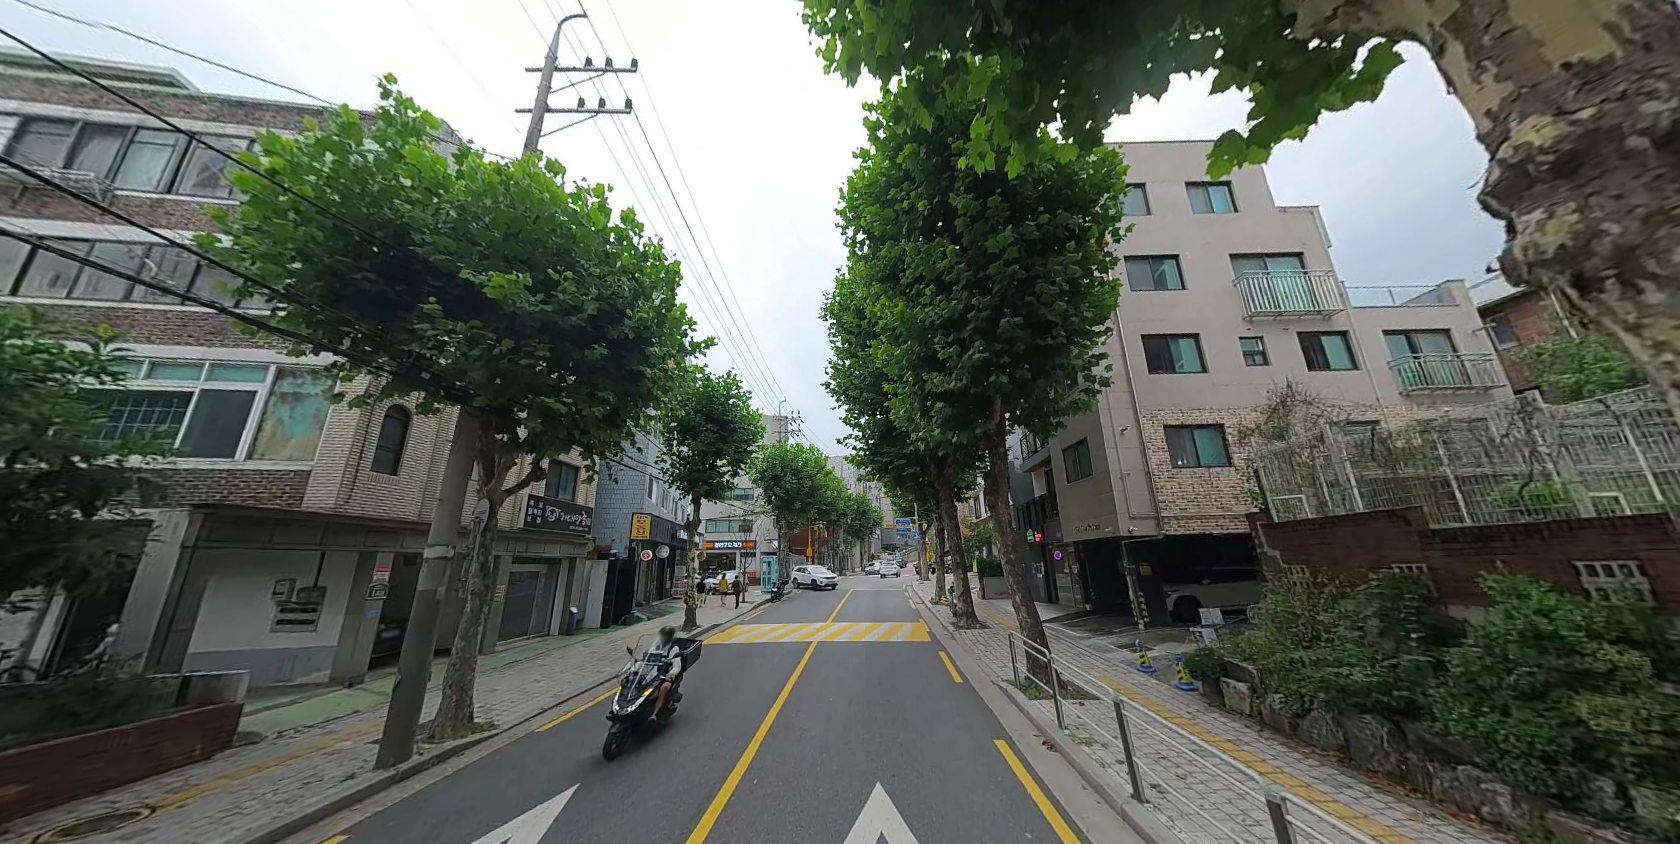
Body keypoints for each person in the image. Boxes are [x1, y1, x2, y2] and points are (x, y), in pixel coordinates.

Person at [649, 624, 684, 715]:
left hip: (665, 677)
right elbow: (647, 660)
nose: (661, 638)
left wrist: (671, 674)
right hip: (652, 676)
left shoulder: (674, 649)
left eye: (664, 636)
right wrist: (634, 668)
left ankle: (655, 713)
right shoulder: (655, 647)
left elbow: (677, 666)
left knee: (664, 688)